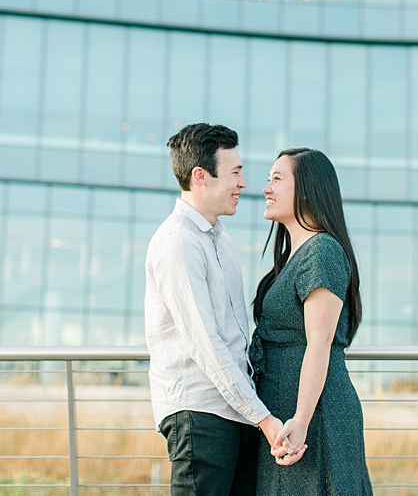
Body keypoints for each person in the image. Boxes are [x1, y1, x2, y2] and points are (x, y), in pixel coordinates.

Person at [144, 124, 302, 496]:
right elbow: (206, 345)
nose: (244, 183)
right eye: (235, 172)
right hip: (199, 416)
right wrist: (265, 419)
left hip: (237, 413)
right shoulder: (176, 242)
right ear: (200, 176)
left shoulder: (224, 242)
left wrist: (255, 414)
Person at [250, 147, 373, 495]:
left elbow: (318, 343)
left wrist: (301, 420)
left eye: (277, 179)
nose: (266, 188)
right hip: (289, 414)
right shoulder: (294, 257)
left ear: (306, 190)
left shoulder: (322, 251)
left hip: (314, 418)